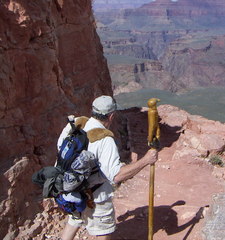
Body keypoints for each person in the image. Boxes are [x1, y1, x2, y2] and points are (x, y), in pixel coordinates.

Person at [57, 95, 158, 240]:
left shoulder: (74, 125)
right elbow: (116, 175)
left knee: (75, 219)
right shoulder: (104, 140)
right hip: (95, 197)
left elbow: (60, 150)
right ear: (111, 116)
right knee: (103, 231)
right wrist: (146, 160)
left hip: (72, 191)